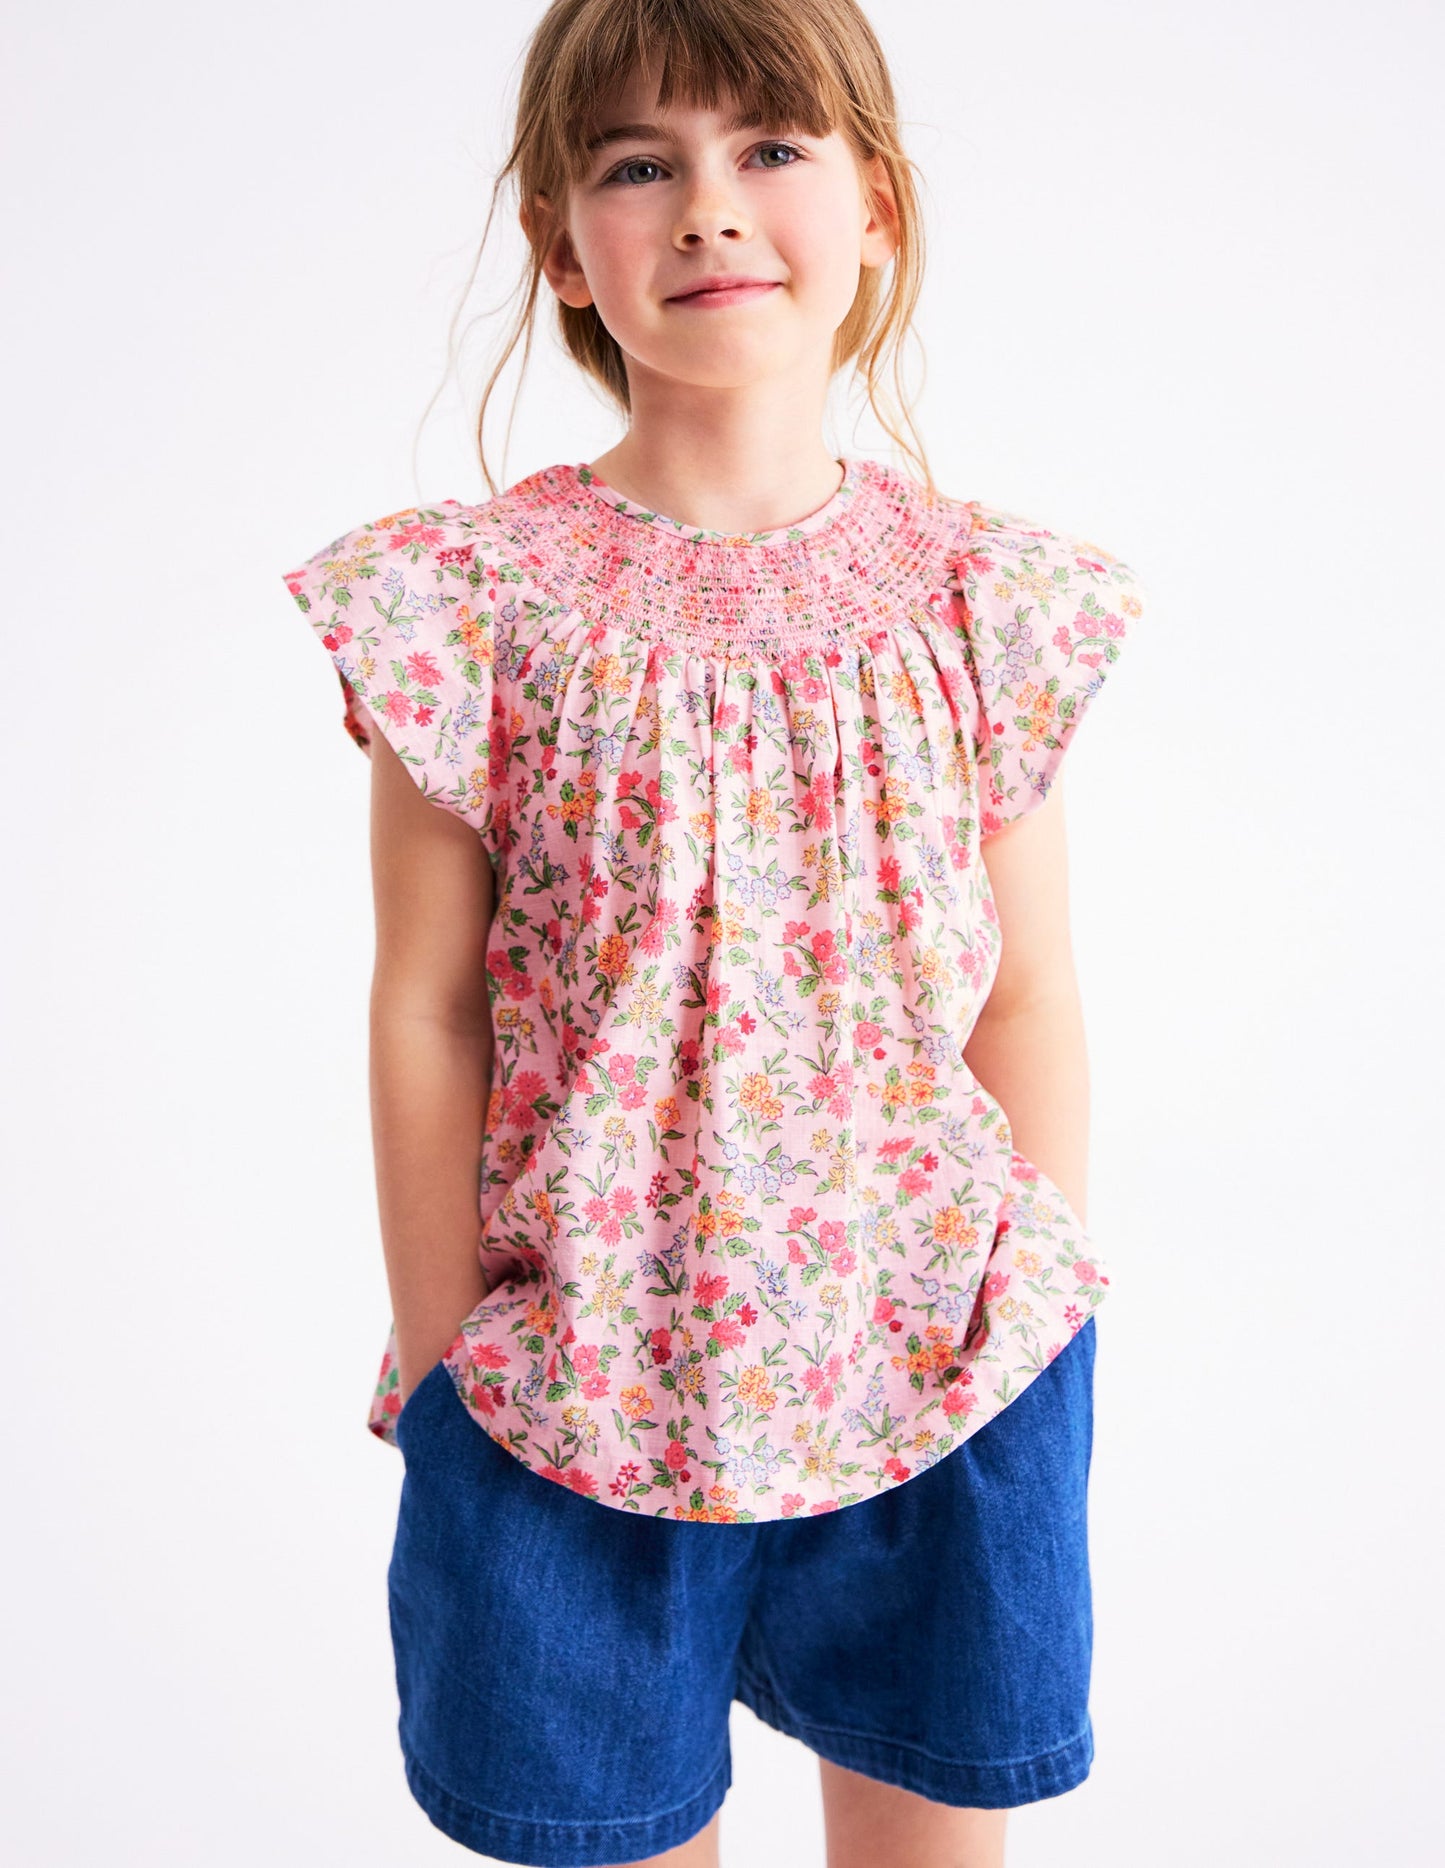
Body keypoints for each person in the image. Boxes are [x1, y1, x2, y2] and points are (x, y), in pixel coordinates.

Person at [280, 2, 1146, 1863]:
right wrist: (449, 1361)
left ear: (876, 206)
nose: (706, 209)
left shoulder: (987, 601)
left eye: (767, 150)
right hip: (572, 1378)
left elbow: (1026, 993)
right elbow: (424, 1005)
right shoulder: (467, 605)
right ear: (558, 243)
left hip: (942, 1371)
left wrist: (1034, 1298)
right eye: (635, 165)